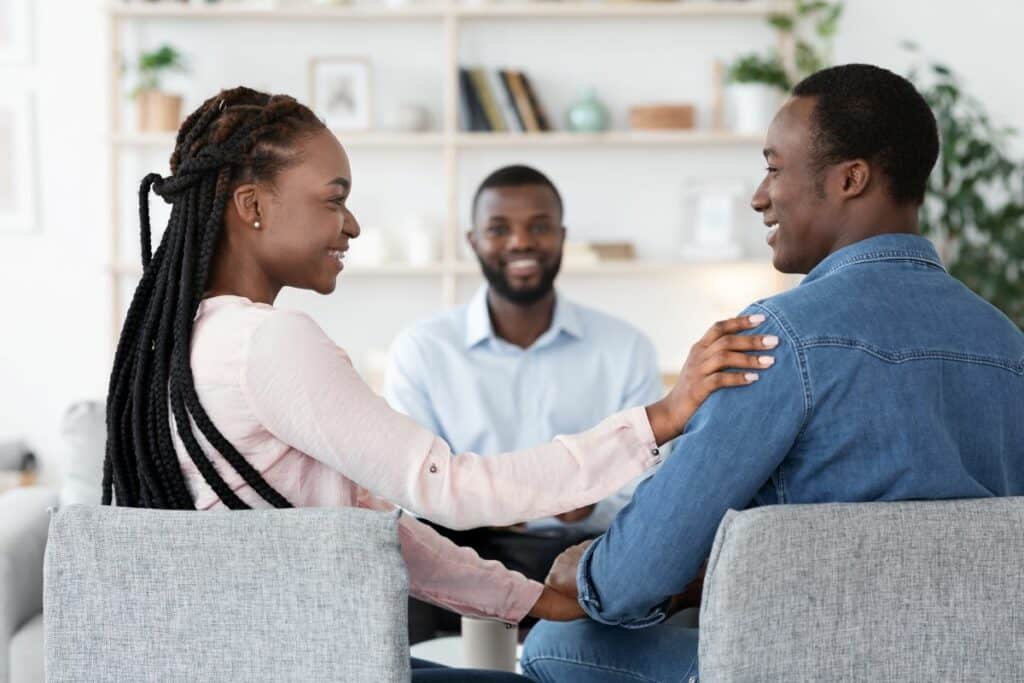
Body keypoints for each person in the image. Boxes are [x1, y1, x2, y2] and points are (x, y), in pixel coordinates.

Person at [102, 87, 778, 682]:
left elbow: (379, 529)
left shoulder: (186, 339)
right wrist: (662, 414)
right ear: (252, 206)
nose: (352, 223)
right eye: (334, 199)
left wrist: (532, 599)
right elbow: (446, 486)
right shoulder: (269, 341)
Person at [521, 63, 1024, 682]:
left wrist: (589, 571)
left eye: (774, 167)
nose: (760, 196)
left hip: (800, 669)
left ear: (850, 179)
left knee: (553, 643)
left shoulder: (778, 340)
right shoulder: (1008, 345)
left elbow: (633, 578)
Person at [385, 165, 665, 641]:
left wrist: (589, 503)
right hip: (466, 549)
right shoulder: (424, 349)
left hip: (587, 553)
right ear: (473, 242)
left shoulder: (624, 347)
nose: (521, 242)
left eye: (538, 226)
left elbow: (649, 481)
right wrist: (504, 500)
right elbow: (412, 484)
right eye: (500, 229)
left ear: (561, 236)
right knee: (401, 567)